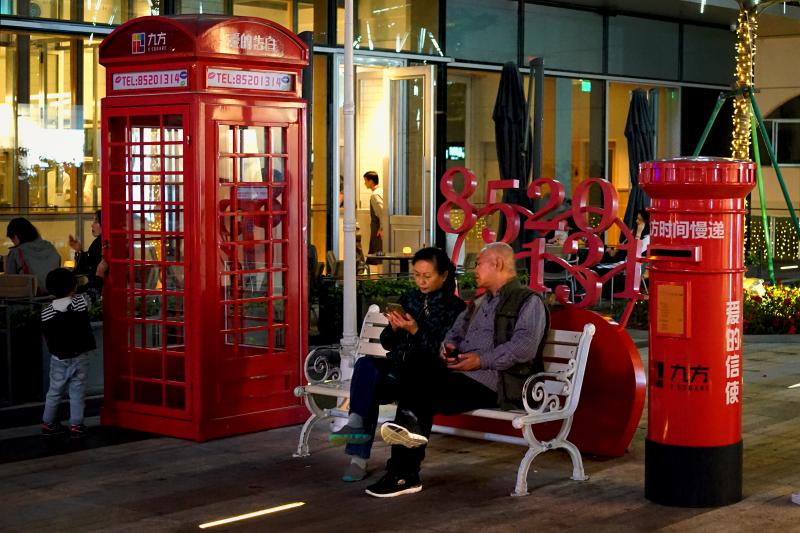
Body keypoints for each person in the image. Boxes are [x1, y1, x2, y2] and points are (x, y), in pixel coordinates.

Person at [365, 242, 547, 498]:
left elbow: (524, 348)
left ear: (497, 264)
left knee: (417, 391)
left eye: (479, 264)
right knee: (416, 370)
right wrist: (447, 347)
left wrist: (480, 361)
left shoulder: (528, 301)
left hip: (496, 382)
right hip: (460, 374)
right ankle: (404, 450)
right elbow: (454, 334)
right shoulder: (479, 303)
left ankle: (403, 470)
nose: (475, 270)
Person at [329, 247, 465, 482]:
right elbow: (386, 342)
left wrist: (415, 330)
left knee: (371, 386)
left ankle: (366, 450)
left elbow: (444, 349)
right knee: (365, 366)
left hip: (426, 375)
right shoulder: (409, 299)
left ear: (443, 275)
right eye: (417, 275)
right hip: (397, 368)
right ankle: (357, 441)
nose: (421, 281)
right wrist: (393, 328)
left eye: (427, 276)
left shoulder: (456, 309)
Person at [40, 264, 106, 437]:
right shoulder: (80, 302)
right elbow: (95, 291)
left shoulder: (46, 312)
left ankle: (48, 423)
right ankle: (76, 424)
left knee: (54, 391)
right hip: (79, 356)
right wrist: (100, 272)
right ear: (74, 287)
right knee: (77, 390)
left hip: (59, 358)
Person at [4, 217, 61, 295]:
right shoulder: (50, 247)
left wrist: (5, 262)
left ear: (15, 236)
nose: (13, 243)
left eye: (12, 240)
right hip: (53, 296)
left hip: (29, 299)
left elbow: (9, 282)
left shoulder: (16, 252)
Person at [69, 210, 102, 280]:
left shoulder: (99, 243)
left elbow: (88, 267)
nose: (92, 225)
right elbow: (89, 263)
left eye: (96, 221)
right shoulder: (97, 242)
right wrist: (78, 250)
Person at [363, 171, 384, 264]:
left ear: (371, 181)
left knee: (377, 253)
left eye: (365, 181)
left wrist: (382, 227)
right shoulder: (382, 191)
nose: (365, 183)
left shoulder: (375, 195)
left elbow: (381, 211)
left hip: (378, 227)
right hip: (380, 225)